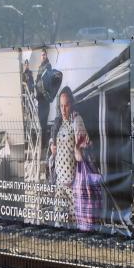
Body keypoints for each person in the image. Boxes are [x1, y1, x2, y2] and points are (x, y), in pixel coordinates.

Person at [51, 87, 90, 228]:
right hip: (60, 181)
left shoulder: (77, 120)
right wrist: (52, 146)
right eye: (61, 106)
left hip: (74, 184)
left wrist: (79, 148)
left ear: (71, 104)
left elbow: (85, 147)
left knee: (75, 224)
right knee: (58, 223)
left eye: (66, 105)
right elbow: (53, 138)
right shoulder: (58, 122)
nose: (63, 109)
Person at [35, 48, 62, 154]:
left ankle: (44, 144)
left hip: (45, 100)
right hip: (40, 100)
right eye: (42, 55)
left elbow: (47, 81)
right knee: (41, 123)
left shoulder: (48, 67)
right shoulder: (40, 67)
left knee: (43, 123)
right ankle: (42, 143)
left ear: (46, 56)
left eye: (44, 55)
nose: (43, 56)